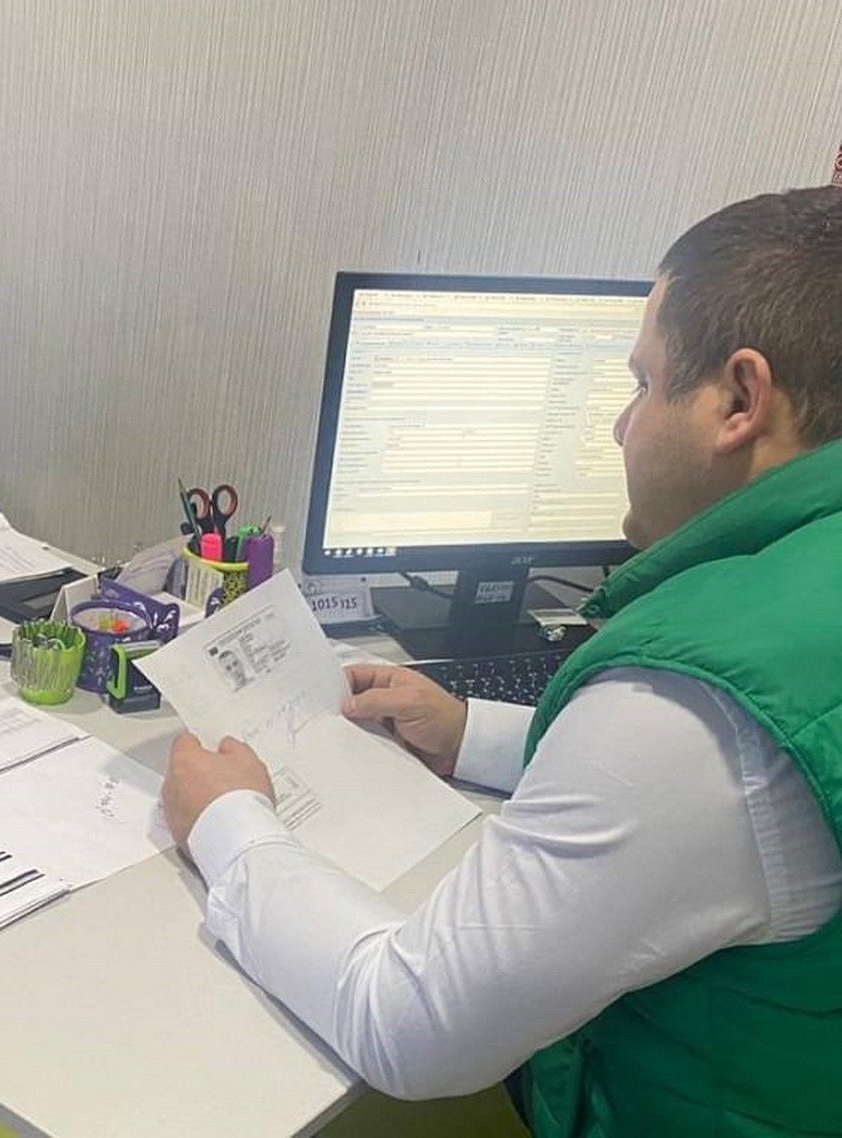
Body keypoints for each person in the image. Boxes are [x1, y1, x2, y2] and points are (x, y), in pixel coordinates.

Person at [161, 187, 842, 1135]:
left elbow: (410, 1027)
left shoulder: (690, 707)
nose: (620, 428)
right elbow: (738, 815)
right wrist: (470, 731)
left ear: (739, 399)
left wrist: (229, 826)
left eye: (643, 384)